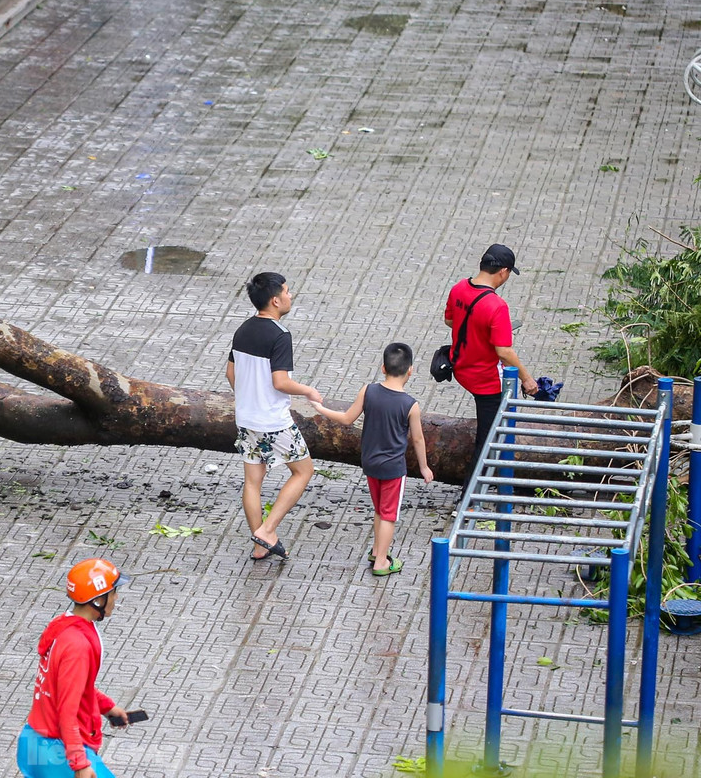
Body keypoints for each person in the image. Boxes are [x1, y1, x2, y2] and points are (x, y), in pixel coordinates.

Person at [311, 343, 434, 575]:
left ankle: (377, 550)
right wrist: (424, 467)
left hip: (370, 462)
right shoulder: (410, 405)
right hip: (393, 468)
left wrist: (321, 408)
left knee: (379, 509)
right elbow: (417, 439)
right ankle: (381, 563)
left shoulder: (368, 391)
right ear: (410, 371)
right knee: (389, 514)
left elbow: (347, 418)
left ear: (383, 368)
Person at [226, 272, 323, 561]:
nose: (291, 296)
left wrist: (249, 396)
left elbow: (231, 373)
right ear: (275, 300)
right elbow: (280, 381)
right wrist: (308, 390)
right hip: (273, 421)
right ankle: (268, 530)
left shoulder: (243, 329)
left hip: (246, 418)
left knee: (253, 481)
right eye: (288, 291)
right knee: (304, 471)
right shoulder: (280, 335)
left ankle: (259, 545)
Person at [17, 558, 131, 778]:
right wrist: (79, 763)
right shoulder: (77, 646)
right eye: (113, 592)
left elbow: (71, 686)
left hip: (35, 742)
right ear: (98, 599)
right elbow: (67, 710)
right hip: (55, 751)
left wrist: (106, 707)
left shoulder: (64, 626)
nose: (116, 598)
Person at [444, 244, 538, 495]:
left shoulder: (458, 288)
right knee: (489, 438)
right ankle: (470, 497)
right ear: (504, 272)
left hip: (461, 367)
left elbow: (450, 320)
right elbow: (504, 351)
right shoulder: (497, 306)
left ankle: (499, 478)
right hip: (485, 379)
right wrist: (527, 379)